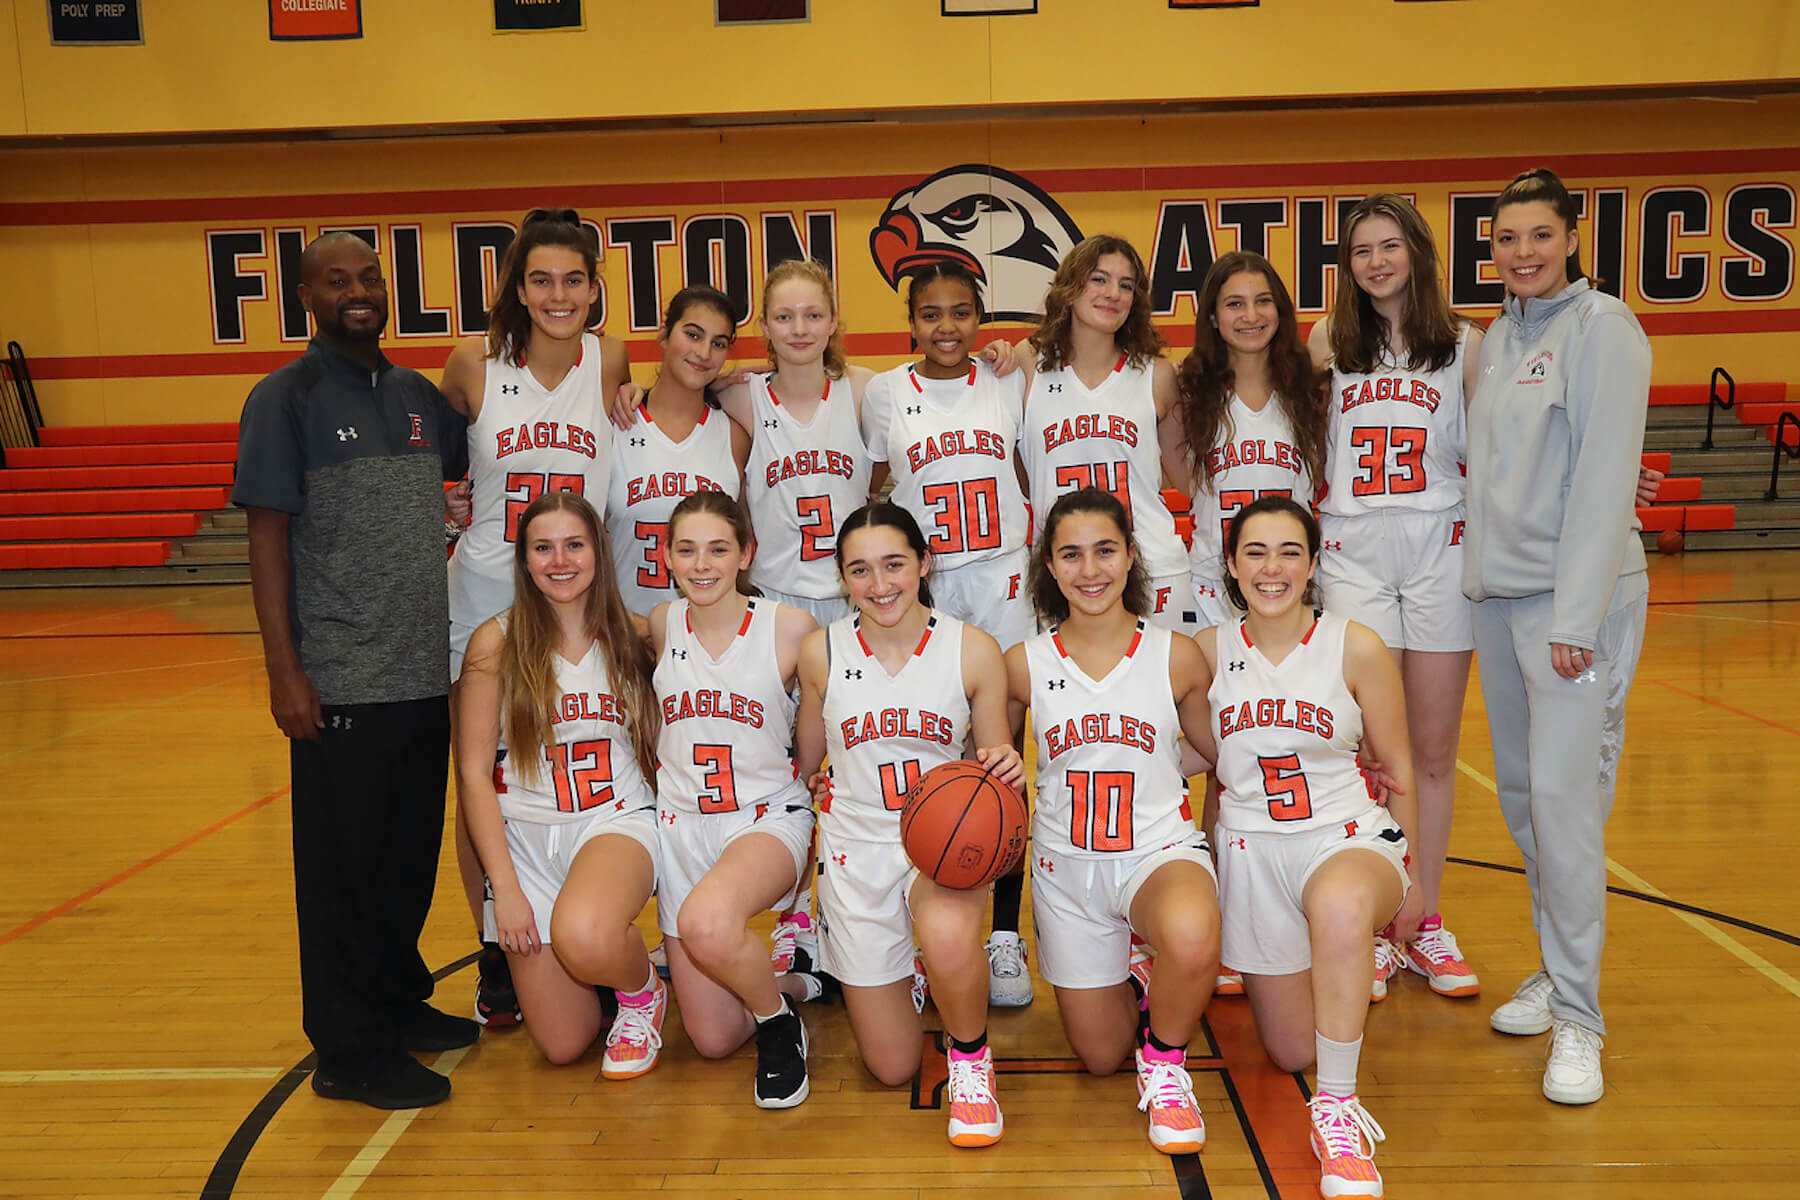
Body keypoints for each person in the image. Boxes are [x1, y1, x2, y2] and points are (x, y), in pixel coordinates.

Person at [234, 231, 476, 1110]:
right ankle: (347, 1049)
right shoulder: (284, 399)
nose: (357, 292)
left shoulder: (416, 395)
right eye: (336, 281)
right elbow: (266, 541)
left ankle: (396, 1000)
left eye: (368, 277)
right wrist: (284, 670)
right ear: (307, 297)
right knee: (342, 871)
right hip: (339, 675)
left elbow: (469, 464)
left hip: (422, 667)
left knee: (405, 855)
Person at [1464, 167, 1651, 1107]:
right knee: (1526, 801)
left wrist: (1577, 618)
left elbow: (1608, 473)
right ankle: (1554, 967)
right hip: (1502, 601)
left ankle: (1582, 1015)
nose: (1523, 252)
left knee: (1568, 817)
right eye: (1507, 238)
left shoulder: (1603, 329)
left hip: (1573, 609)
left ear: (1571, 239)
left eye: (1540, 235)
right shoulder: (1498, 337)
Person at [1197, 495, 1423, 1199]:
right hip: (1253, 858)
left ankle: (1338, 1111)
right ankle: (1345, 963)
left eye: (1290, 552)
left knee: (1338, 906)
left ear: (1314, 562)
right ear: (1231, 566)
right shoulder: (1202, 654)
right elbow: (1195, 767)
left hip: (1345, 836)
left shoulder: (1356, 646)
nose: (1273, 569)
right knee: (1292, 1048)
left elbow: (1402, 774)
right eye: (1255, 553)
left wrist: (1418, 895)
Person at [441, 206, 633, 1030]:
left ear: (595, 290)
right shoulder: (471, 365)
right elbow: (433, 461)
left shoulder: (613, 360)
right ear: (517, 289)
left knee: (577, 759)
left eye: (574, 280)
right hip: (487, 597)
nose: (558, 295)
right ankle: (495, 947)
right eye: (541, 280)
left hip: (576, 599)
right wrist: (443, 503)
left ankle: (593, 929)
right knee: (481, 777)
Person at [793, 501, 1024, 1146]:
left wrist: (1005, 767)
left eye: (894, 564)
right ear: (842, 578)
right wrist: (810, 777)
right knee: (892, 1067)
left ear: (924, 563)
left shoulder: (972, 649)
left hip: (941, 845)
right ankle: (914, 973)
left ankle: (972, 1061)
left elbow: (997, 756)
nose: (880, 584)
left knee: (950, 937)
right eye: (859, 570)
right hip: (856, 846)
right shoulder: (822, 651)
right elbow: (808, 759)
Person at [1004, 487, 1222, 1156]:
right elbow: (987, 772)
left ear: (1131, 556)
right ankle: (1130, 968)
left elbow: (1226, 754)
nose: (1090, 570)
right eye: (1071, 555)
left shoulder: (1176, 655)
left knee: (1189, 935)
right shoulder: (1022, 666)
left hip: (1158, 852)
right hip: (1067, 871)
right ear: (1049, 564)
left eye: (1105, 550)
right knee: (1099, 1057)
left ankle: (1164, 1064)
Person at [1306, 195, 1483, 1001]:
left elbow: (1510, 449)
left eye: (1389, 246)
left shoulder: (1468, 347)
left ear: (1417, 250)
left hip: (1440, 539)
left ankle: (1427, 918)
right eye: (1360, 251)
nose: (1375, 261)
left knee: (1436, 751)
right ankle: (1381, 923)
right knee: (1375, 752)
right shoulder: (1326, 343)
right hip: (1353, 547)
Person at [861, 260, 1038, 1007]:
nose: (946, 327)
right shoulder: (883, 393)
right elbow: (877, 485)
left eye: (961, 312)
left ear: (980, 319)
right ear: (910, 321)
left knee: (997, 763)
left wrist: (1021, 348)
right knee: (929, 759)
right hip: (925, 590)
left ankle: (1000, 935)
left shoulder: (1009, 381)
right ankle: (924, 931)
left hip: (1002, 582)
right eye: (930, 313)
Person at [454, 492, 667, 1074]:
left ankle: (642, 990)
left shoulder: (639, 636)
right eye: (542, 548)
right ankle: (602, 973)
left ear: (598, 551)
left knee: (586, 932)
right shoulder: (495, 643)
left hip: (613, 820)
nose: (560, 560)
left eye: (574, 544)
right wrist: (507, 892)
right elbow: (473, 775)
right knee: (564, 1044)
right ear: (523, 561)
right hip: (527, 840)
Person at [1168, 251, 1329, 995]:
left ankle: (1306, 916)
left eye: (1263, 301)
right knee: (1220, 758)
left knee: (1294, 742)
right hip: (1215, 592)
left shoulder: (1310, 388)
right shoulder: (1193, 392)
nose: (1250, 315)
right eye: (1233, 303)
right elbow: (1172, 475)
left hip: (1291, 591)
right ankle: (1223, 922)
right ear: (1211, 316)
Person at [649, 491, 820, 1107]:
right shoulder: (661, 625)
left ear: (745, 552)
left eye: (718, 549)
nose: (702, 564)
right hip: (681, 827)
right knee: (714, 1037)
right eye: (687, 550)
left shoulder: (790, 627)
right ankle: (796, 985)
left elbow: (818, 726)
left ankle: (779, 1024)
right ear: (666, 556)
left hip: (764, 818)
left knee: (706, 923)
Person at [1005, 234, 1196, 633]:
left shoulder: (1157, 374)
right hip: (1069, 571)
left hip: (1153, 565)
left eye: (1126, 285)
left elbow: (1190, 479)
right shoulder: (1026, 362)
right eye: (1099, 279)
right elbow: (1017, 471)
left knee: (1168, 690)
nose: (1114, 294)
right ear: (1070, 287)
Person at [607, 287, 750, 618]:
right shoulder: (614, 424)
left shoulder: (734, 435)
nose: (703, 352)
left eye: (718, 343)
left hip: (709, 635)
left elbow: (745, 540)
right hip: (627, 632)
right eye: (693, 334)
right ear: (663, 333)